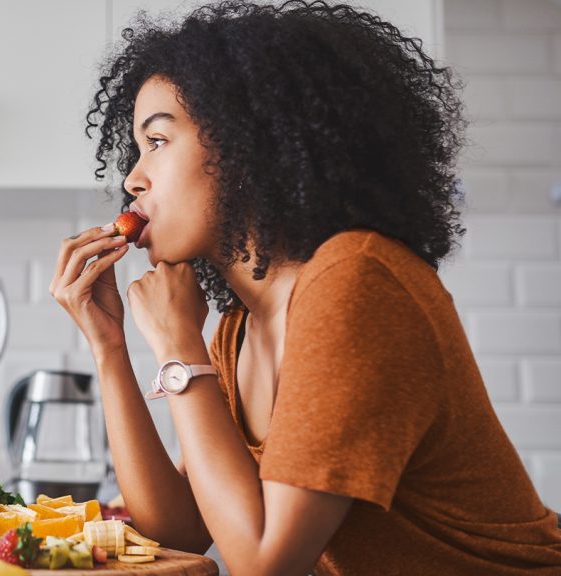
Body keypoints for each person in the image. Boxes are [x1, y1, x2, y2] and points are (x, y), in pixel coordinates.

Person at [49, 1, 561, 575]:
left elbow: (266, 563)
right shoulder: (241, 325)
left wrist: (178, 350)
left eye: (159, 141)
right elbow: (180, 531)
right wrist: (110, 347)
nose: (132, 177)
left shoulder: (356, 282)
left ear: (248, 144)